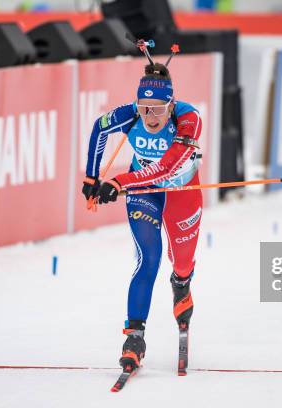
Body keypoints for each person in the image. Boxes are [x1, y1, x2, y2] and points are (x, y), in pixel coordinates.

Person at [82, 61, 203, 370]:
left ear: (171, 105)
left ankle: (181, 282)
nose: (150, 117)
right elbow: (99, 127)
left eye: (158, 109)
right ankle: (134, 336)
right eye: (144, 108)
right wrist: (91, 178)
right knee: (149, 259)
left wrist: (119, 181)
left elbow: (165, 169)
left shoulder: (189, 119)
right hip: (143, 191)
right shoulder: (132, 114)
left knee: (183, 260)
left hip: (180, 191)